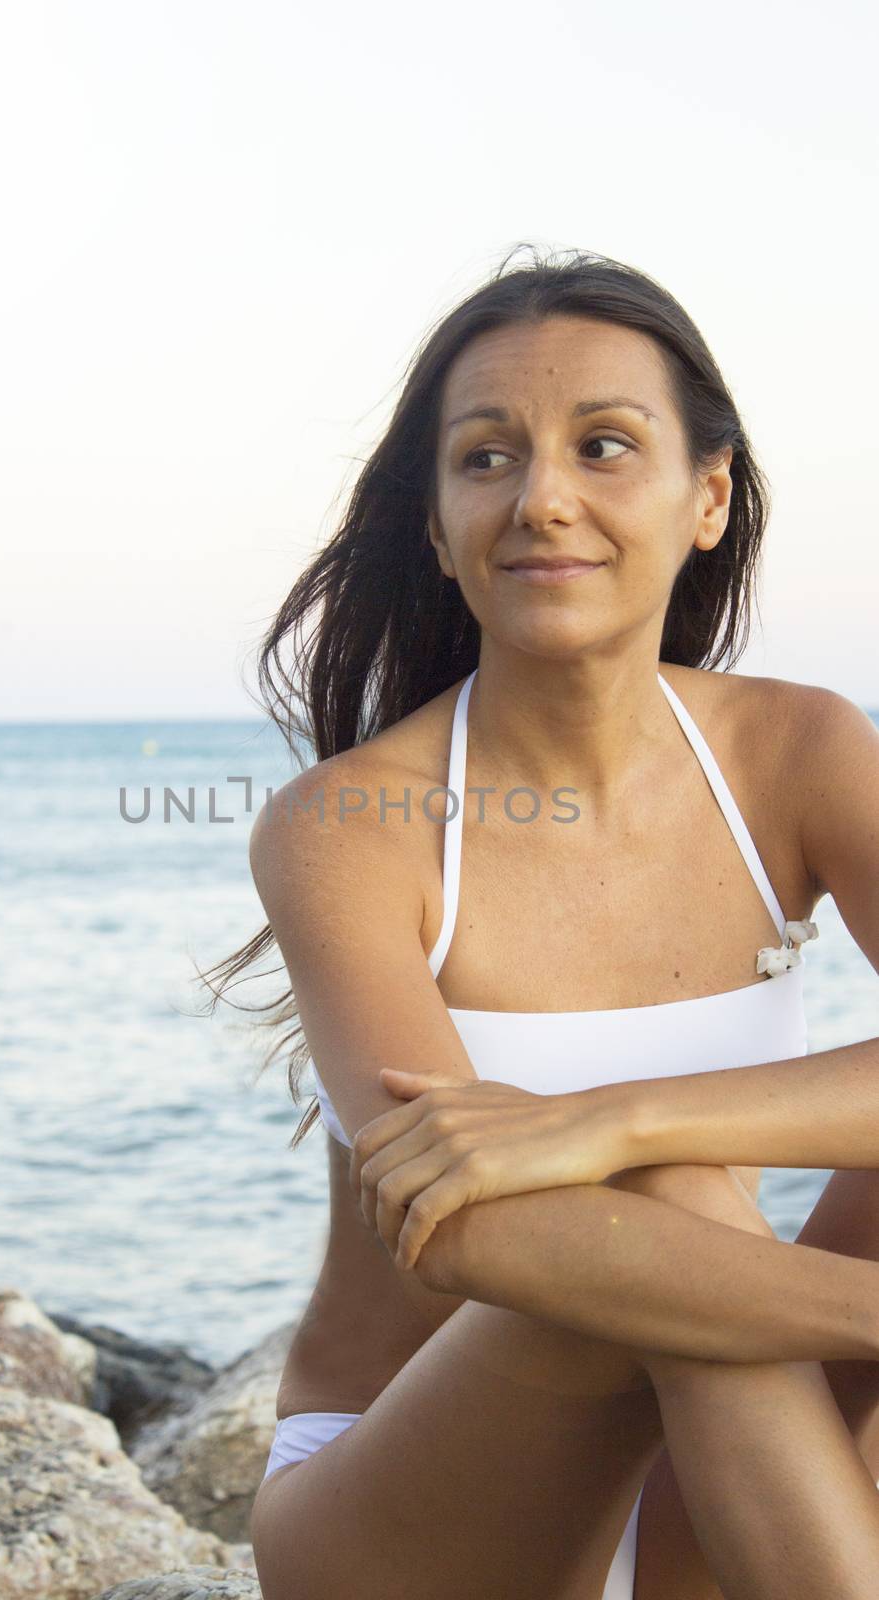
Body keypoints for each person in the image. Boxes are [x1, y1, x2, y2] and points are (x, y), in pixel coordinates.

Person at [200, 245, 879, 1598]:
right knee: (654, 1212)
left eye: (606, 446)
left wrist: (621, 1115)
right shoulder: (346, 826)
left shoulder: (801, 750)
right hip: (423, 1512)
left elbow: (635, 1157)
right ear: (440, 527)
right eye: (487, 459)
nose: (544, 500)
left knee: (665, 1180)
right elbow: (465, 1229)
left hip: (722, 1456)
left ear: (708, 498)